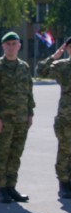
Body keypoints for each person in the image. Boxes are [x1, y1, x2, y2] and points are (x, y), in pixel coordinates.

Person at [0, 32, 35, 203]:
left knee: (16, 154)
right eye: (8, 44)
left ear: (19, 45)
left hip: (21, 120)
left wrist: (30, 113)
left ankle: (11, 186)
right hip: (4, 121)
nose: (11, 47)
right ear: (3, 46)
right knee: (2, 154)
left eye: (14, 43)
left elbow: (29, 91)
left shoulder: (24, 67)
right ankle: (1, 188)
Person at [37, 36, 71, 199]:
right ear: (68, 49)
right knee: (65, 149)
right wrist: (54, 56)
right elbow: (40, 71)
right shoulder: (62, 66)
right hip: (67, 115)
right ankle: (64, 183)